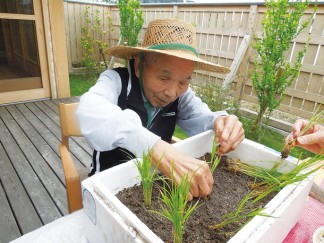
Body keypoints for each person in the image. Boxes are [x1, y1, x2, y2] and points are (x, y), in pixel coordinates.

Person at [76, 18, 245, 200]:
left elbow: (202, 117)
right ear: (140, 66)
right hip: (107, 187)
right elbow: (89, 110)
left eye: (183, 81)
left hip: (153, 185)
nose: (172, 93)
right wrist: (155, 148)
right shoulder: (115, 81)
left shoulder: (181, 96)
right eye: (163, 78)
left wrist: (221, 122)